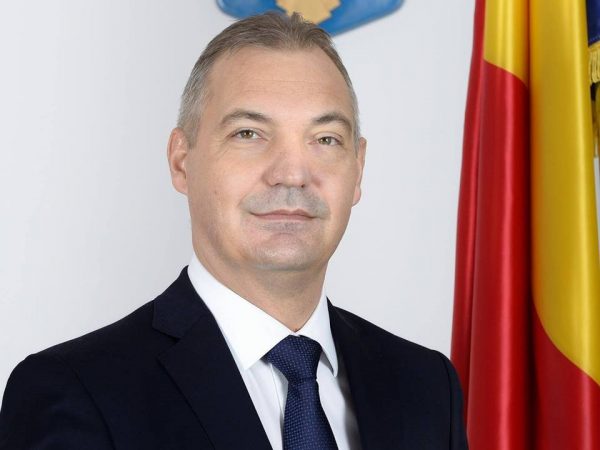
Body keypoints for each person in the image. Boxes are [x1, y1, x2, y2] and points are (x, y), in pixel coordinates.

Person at [0, 12, 468, 450]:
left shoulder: (427, 386)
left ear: (358, 169)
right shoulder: (74, 391)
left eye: (325, 139)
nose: (292, 174)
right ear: (181, 161)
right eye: (249, 134)